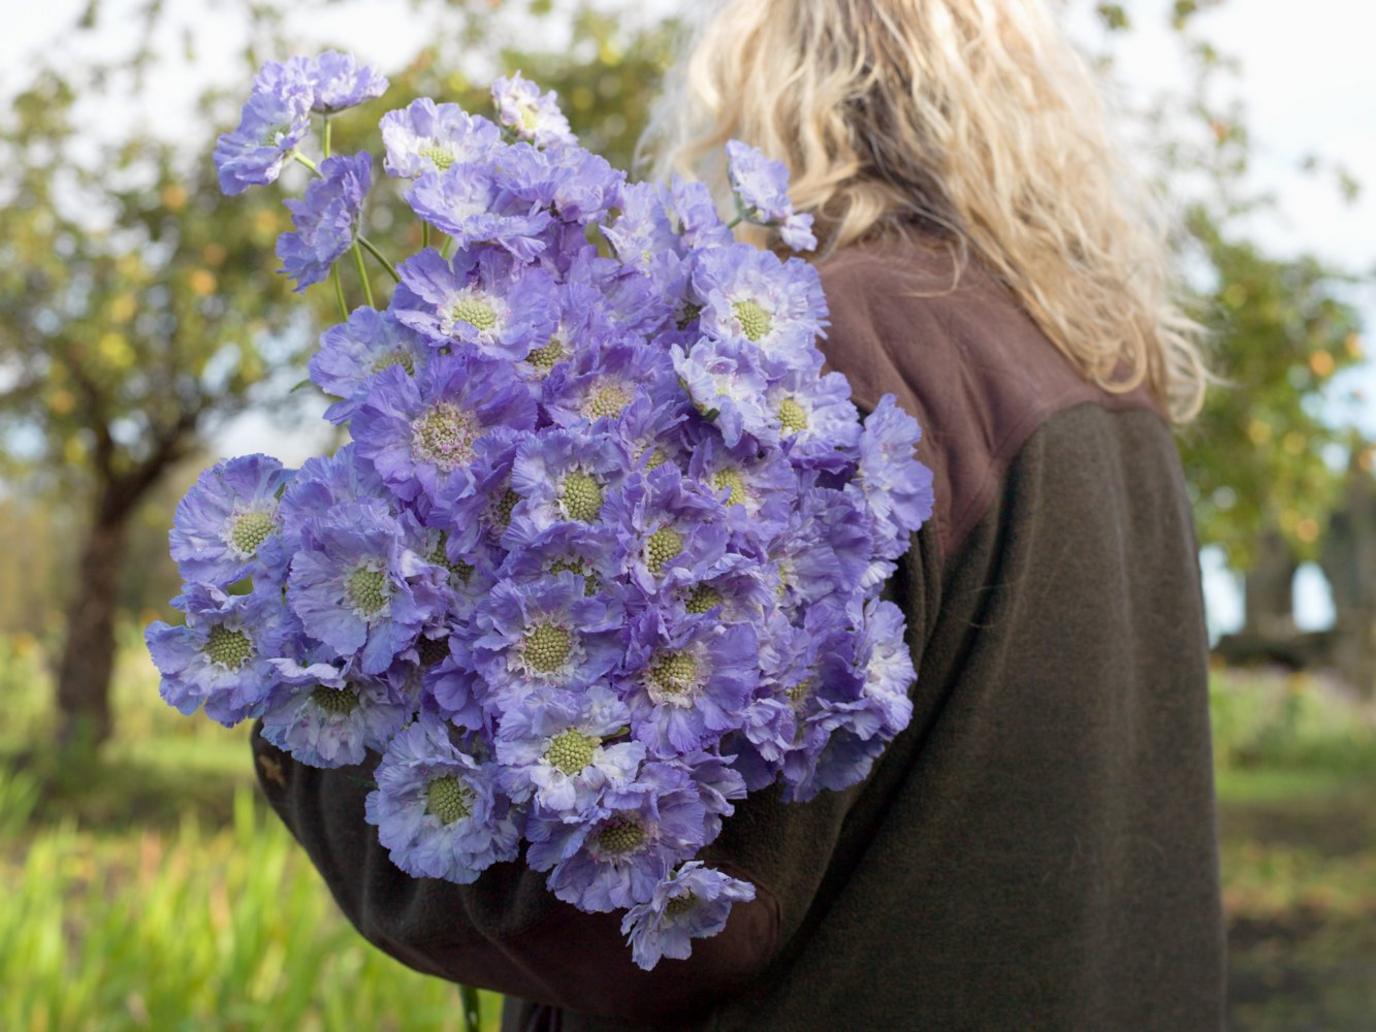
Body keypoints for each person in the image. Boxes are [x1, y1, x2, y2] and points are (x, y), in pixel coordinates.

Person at [252, 1, 1226, 1027]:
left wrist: (307, 727)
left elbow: (638, 892)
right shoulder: (1110, 387)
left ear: (763, 105)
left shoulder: (820, 363)